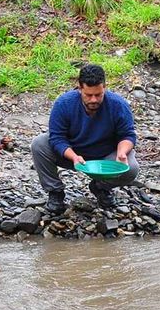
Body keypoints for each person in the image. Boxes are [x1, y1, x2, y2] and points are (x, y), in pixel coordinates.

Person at [30, 64, 139, 214]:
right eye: (88, 95)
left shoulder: (118, 104)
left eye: (98, 94)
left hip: (105, 156)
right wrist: (73, 157)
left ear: (104, 88)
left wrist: (122, 152)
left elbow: (127, 135)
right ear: (79, 88)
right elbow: (57, 138)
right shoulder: (64, 103)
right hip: (74, 152)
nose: (94, 99)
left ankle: (101, 187)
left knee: (131, 168)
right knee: (39, 144)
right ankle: (55, 193)